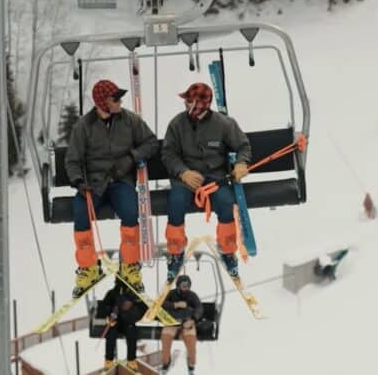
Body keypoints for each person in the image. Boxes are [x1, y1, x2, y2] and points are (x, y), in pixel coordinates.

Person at [65, 79, 159, 298]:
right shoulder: (84, 126)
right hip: (94, 184)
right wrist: (79, 181)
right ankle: (88, 268)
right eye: (115, 98)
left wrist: (131, 158)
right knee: (80, 212)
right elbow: (72, 159)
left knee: (130, 211)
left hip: (120, 181)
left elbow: (151, 143)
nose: (120, 102)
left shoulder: (129, 121)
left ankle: (129, 266)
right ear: (102, 103)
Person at [161, 82, 251, 281]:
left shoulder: (224, 124)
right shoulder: (177, 124)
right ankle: (175, 253)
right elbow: (168, 154)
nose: (186, 104)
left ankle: (228, 252)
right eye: (186, 100)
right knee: (175, 203)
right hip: (186, 180)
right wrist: (183, 173)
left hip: (214, 179)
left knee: (226, 204)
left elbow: (243, 146)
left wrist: (240, 163)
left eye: (189, 101)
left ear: (199, 104)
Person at [100, 278, 146, 372]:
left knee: (131, 333)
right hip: (115, 321)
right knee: (111, 333)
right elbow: (104, 307)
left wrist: (131, 310)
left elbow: (142, 309)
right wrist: (109, 315)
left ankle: (131, 360)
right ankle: (109, 360)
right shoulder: (112, 293)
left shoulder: (134, 295)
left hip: (128, 321)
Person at [160, 275, 203, 374]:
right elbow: (161, 303)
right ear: (178, 285)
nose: (185, 287)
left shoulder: (192, 295)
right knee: (165, 340)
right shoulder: (171, 294)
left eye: (187, 285)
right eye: (183, 285)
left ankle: (191, 364)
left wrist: (193, 320)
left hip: (187, 323)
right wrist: (175, 305)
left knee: (191, 343)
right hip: (172, 322)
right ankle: (166, 362)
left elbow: (199, 308)